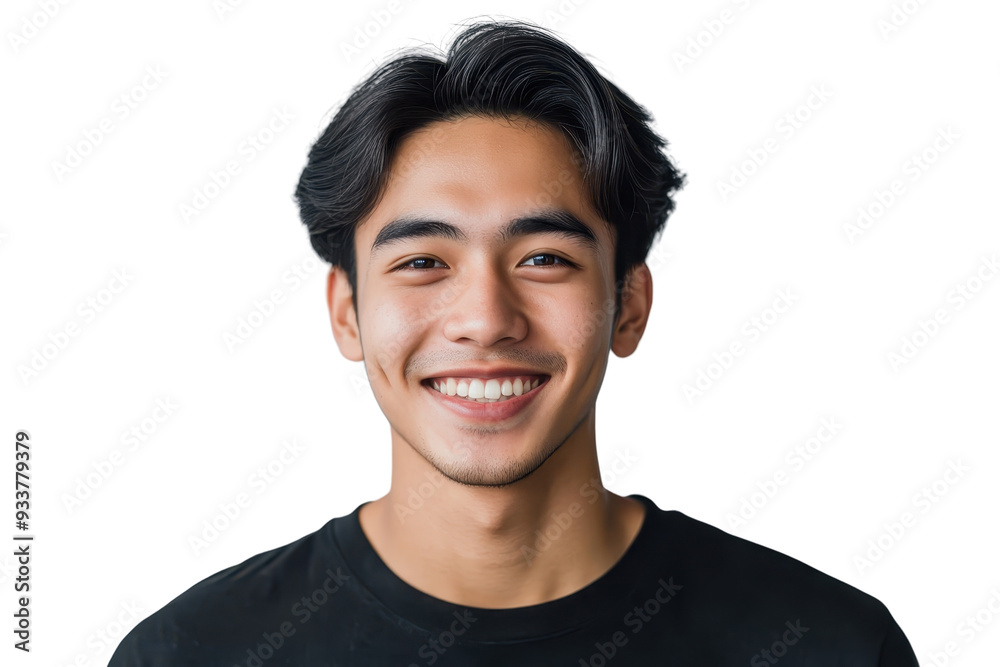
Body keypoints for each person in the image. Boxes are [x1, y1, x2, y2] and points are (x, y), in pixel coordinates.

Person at [110, 19, 918, 665]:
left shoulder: (829, 643)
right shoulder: (191, 651)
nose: (487, 317)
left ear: (629, 304)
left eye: (544, 259)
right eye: (424, 261)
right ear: (348, 313)